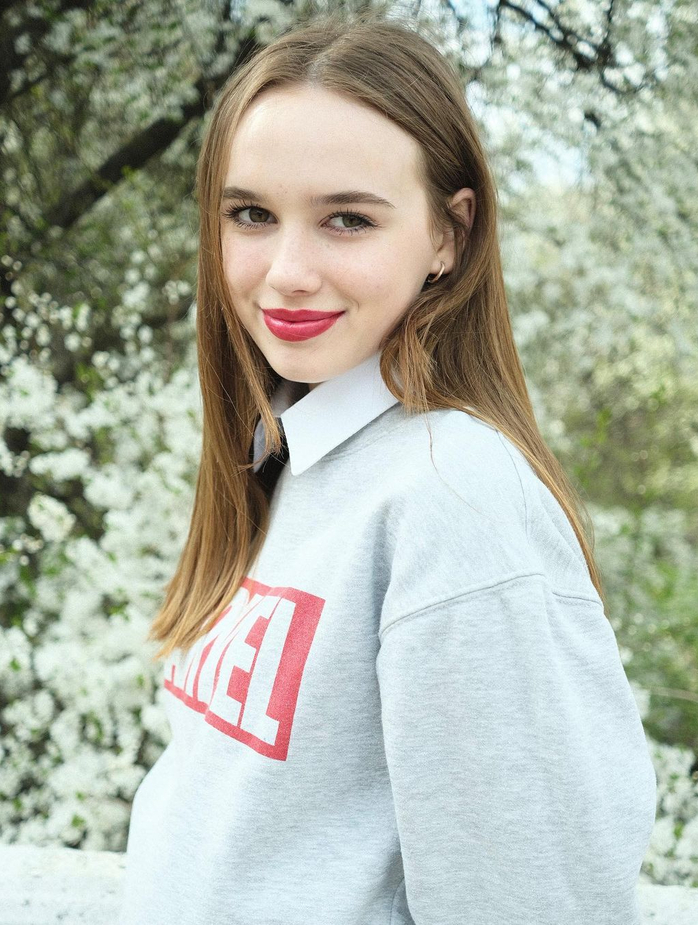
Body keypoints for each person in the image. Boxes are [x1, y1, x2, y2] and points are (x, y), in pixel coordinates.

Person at [118, 10, 657, 925]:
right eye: (252, 214)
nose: (287, 271)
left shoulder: (454, 496)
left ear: (449, 234)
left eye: (348, 220)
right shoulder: (288, 454)